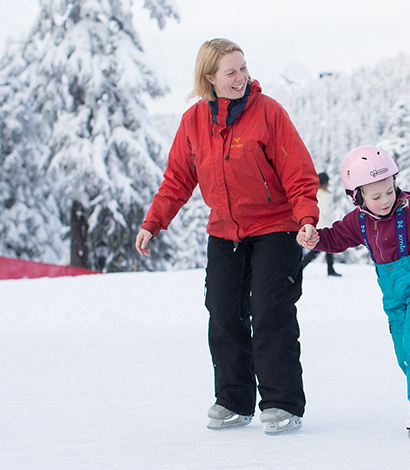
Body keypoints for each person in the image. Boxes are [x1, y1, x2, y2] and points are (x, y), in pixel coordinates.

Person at [135, 38, 320, 436]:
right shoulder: (193, 122)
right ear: (210, 78)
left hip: (276, 226)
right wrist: (153, 223)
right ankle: (234, 402)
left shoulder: (268, 112)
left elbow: (298, 171)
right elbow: (177, 179)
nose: (241, 77)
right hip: (225, 231)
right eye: (230, 72)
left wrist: (306, 217)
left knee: (270, 312)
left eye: (243, 68)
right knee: (223, 314)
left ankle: (282, 405)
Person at [298, 145, 410, 438]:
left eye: (389, 191)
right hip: (393, 293)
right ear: (358, 197)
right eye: (376, 196)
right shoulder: (360, 221)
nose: (385, 201)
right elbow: (337, 237)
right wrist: (316, 239)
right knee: (405, 354)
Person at [300, 172, 341, 276]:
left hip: (318, 224)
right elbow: (327, 210)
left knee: (328, 248)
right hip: (325, 225)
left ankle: (330, 269)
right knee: (318, 249)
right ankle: (300, 268)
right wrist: (332, 217)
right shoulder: (324, 195)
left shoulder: (315, 193)